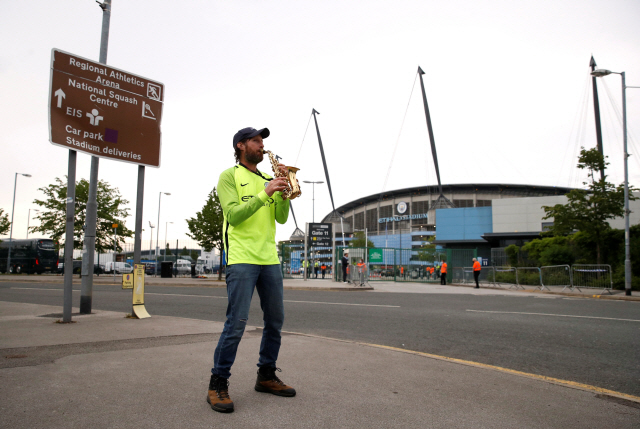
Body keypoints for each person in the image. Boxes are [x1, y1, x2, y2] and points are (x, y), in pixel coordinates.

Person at [207, 127, 296, 414]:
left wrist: (283, 188)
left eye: (263, 141)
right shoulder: (229, 176)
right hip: (242, 257)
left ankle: (266, 376)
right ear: (241, 145)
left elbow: (281, 219)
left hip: (269, 257)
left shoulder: (269, 178)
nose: (262, 145)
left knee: (275, 321)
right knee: (237, 323)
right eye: (256, 141)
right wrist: (264, 193)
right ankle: (217, 383)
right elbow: (233, 215)